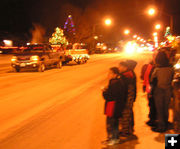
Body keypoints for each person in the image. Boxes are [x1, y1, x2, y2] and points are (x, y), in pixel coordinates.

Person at [102, 67, 127, 146]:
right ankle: (114, 138)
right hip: (115, 107)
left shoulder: (115, 83)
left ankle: (113, 139)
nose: (108, 75)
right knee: (115, 123)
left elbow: (109, 96)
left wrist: (104, 91)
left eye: (110, 73)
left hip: (113, 107)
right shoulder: (117, 82)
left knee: (112, 124)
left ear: (115, 74)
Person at [151, 52, 174, 132]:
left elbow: (153, 80)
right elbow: (172, 78)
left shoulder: (157, 69)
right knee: (166, 108)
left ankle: (161, 126)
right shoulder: (170, 68)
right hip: (168, 89)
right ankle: (166, 123)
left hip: (159, 90)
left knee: (159, 109)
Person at [118, 60, 137, 140]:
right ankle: (129, 129)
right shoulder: (127, 74)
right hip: (127, 99)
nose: (119, 68)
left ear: (126, 67)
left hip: (126, 100)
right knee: (128, 114)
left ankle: (125, 132)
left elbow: (130, 91)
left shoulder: (127, 76)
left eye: (120, 66)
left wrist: (128, 101)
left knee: (125, 115)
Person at [141, 60, 157, 127]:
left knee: (152, 104)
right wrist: (144, 85)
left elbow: (152, 80)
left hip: (153, 90)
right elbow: (145, 77)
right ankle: (152, 118)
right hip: (150, 89)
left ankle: (153, 120)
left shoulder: (155, 68)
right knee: (151, 104)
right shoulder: (149, 67)